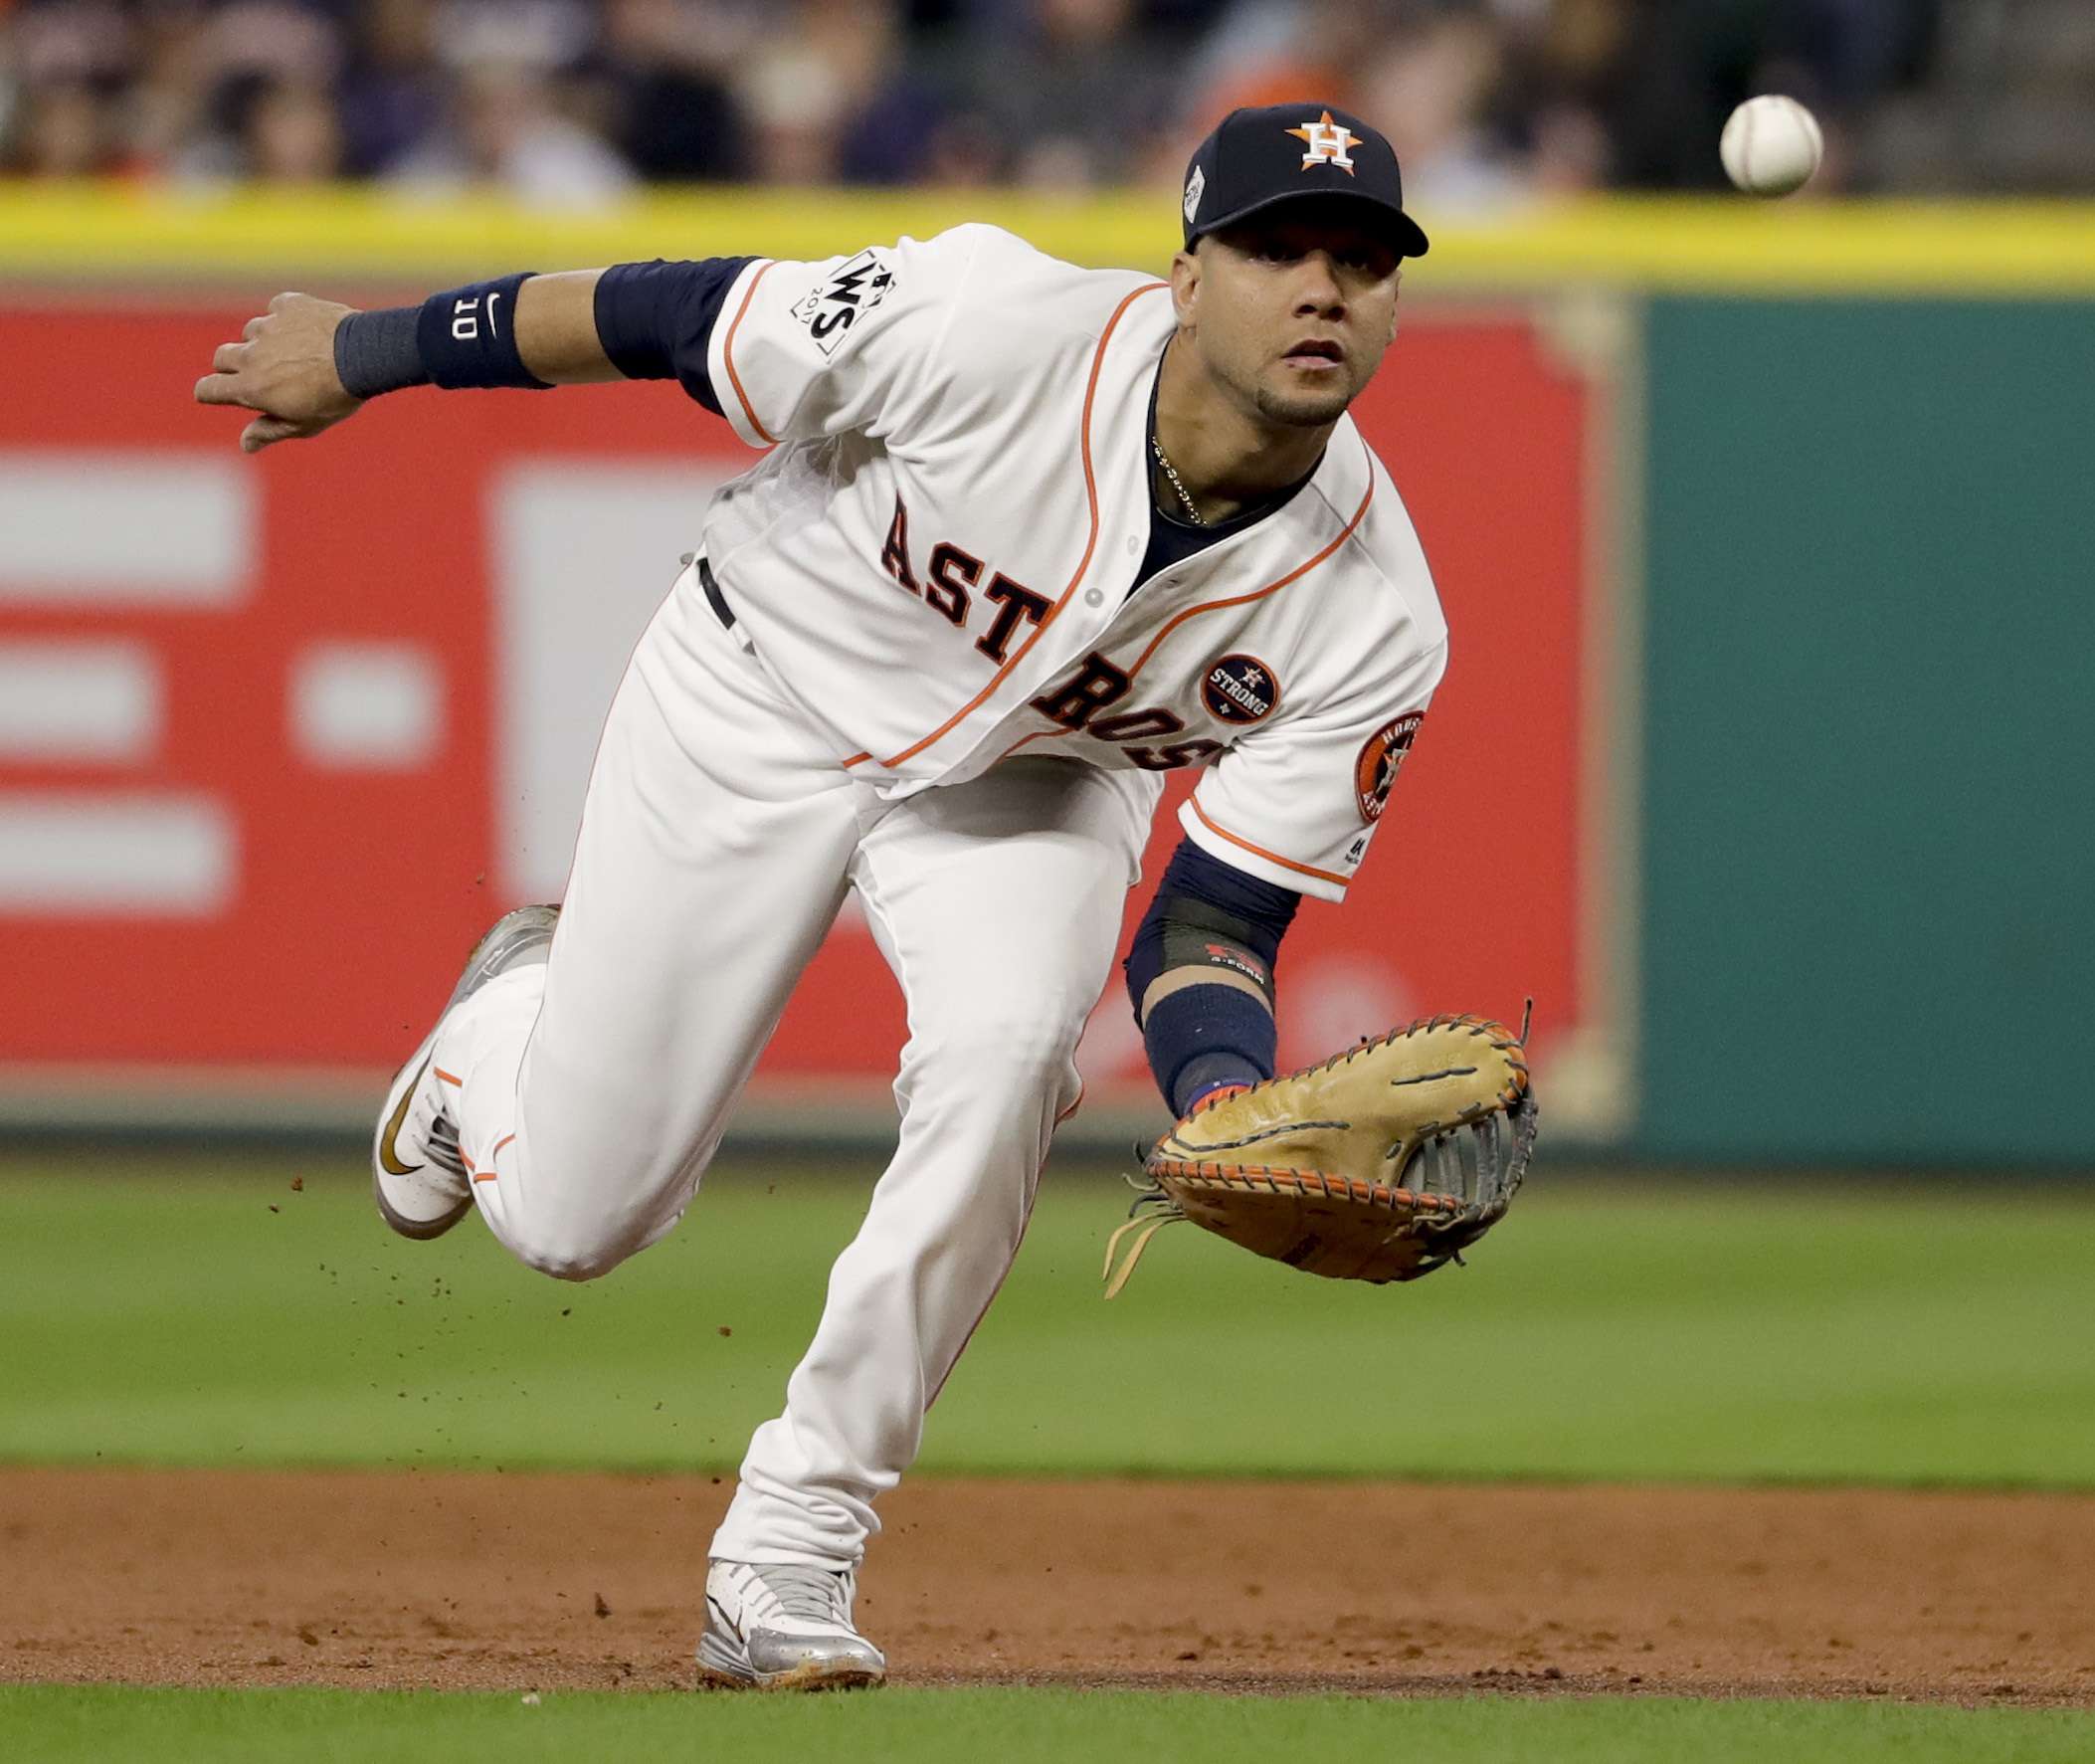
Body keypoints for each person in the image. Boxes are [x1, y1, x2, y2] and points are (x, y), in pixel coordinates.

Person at [193, 102, 1447, 1691]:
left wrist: (1222, 1097)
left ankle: (791, 1543)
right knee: (577, 1222)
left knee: (1009, 1059)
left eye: (1360, 260)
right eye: (1275, 248)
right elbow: (666, 310)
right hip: (761, 684)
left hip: (1034, 782)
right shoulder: (985, 323)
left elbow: (1213, 925)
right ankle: (487, 1039)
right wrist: (365, 350)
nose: (1321, 288)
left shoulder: (1379, 614)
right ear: (1188, 274)